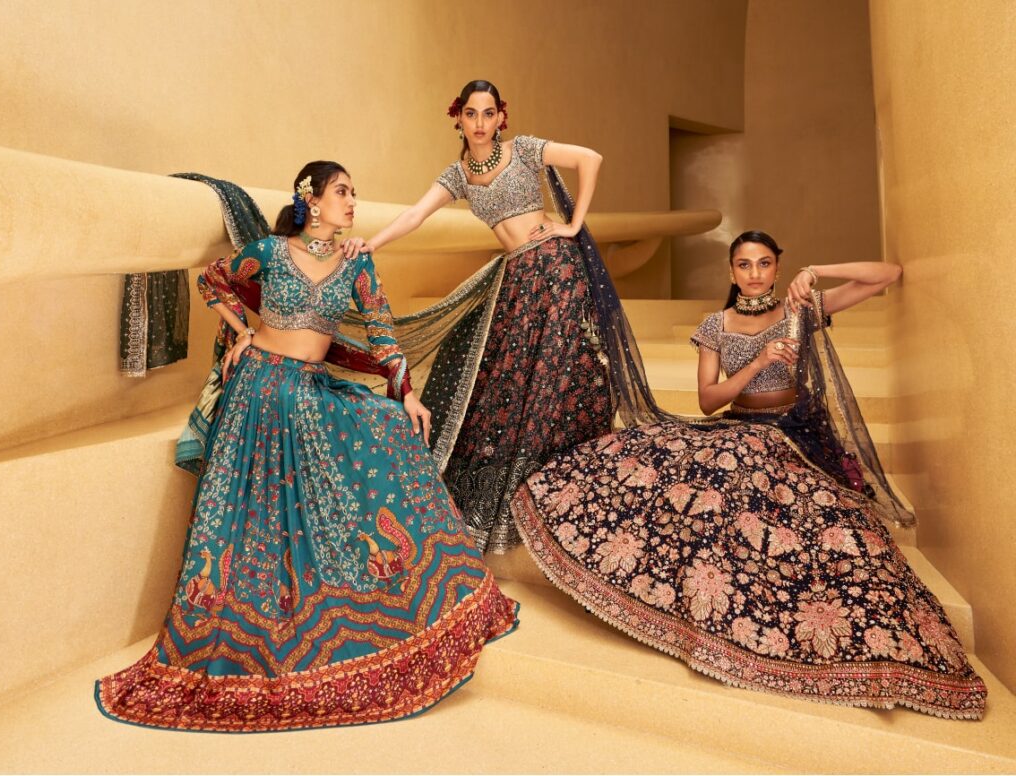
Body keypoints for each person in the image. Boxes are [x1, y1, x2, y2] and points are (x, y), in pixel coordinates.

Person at [96, 161, 518, 732]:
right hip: (257, 394)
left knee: (390, 427)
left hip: (309, 392)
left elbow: (382, 333)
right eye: (343, 191)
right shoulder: (270, 253)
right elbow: (213, 280)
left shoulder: (356, 262)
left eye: (354, 193)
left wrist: (408, 394)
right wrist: (243, 330)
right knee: (252, 521)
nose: (353, 202)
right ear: (312, 201)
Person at [511, 231, 987, 719]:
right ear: (731, 271)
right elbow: (708, 400)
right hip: (740, 426)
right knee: (682, 463)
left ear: (777, 268)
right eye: (744, 264)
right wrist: (759, 361)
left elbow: (887, 275)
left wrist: (817, 272)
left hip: (797, 432)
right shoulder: (715, 326)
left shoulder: (801, 309)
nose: (754, 273)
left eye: (764, 263)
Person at [357, 79, 646, 553]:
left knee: (559, 373)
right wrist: (372, 244)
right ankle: (525, 499)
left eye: (488, 113)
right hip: (518, 277)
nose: (480, 123)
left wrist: (573, 225)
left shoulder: (524, 149)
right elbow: (415, 215)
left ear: (500, 117)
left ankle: (573, 485)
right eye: (471, 114)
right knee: (511, 380)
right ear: (458, 118)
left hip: (556, 268)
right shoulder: (458, 175)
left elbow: (589, 158)